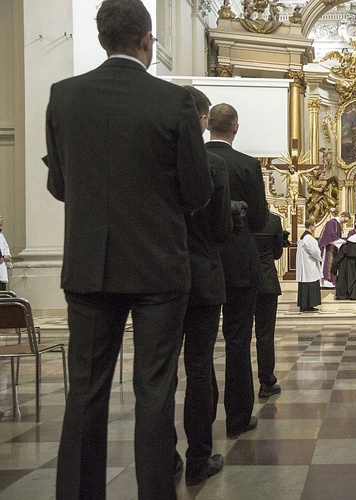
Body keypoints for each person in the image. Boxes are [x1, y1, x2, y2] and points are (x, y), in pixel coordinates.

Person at [45, 1, 214, 497]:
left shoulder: (64, 95)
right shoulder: (174, 102)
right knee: (155, 391)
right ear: (147, 41)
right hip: (158, 266)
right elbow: (197, 190)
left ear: (101, 40)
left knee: (86, 392)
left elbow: (59, 184)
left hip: (89, 266)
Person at [174, 85, 233, 486]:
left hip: (159, 276)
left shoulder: (155, 159)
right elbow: (221, 230)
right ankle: (198, 458)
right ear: (201, 119)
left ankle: (163, 457)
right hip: (203, 276)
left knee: (158, 372)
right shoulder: (213, 166)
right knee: (198, 369)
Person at [206, 103, 269, 439]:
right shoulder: (246, 165)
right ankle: (238, 418)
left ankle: (201, 425)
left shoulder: (193, 159)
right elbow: (259, 220)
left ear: (207, 126)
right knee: (238, 340)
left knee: (198, 348)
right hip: (240, 263)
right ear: (235, 128)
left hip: (201, 260)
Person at [253, 211, 284, 398]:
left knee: (237, 338)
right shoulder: (273, 220)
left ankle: (240, 389)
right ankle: (266, 381)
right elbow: (277, 254)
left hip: (241, 280)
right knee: (265, 335)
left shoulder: (238, 218)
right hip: (266, 282)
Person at [297, 219, 323, 312]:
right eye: (314, 226)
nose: (315, 227)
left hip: (306, 264)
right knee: (310, 283)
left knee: (305, 283)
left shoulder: (302, 237)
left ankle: (305, 305)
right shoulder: (309, 238)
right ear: (311, 226)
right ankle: (308, 305)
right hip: (309, 264)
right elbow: (314, 251)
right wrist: (320, 258)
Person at [318, 211, 350, 288]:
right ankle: (326, 282)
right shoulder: (331, 223)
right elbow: (331, 236)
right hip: (329, 247)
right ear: (342, 216)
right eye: (345, 220)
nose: (345, 223)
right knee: (328, 263)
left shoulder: (338, 224)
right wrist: (342, 242)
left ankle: (331, 281)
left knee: (332, 263)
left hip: (334, 247)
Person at [0, 213, 11, 291]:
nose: (2, 219)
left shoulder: (1, 235)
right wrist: (3, 257)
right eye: (0, 218)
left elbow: (5, 248)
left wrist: (7, 256)